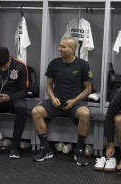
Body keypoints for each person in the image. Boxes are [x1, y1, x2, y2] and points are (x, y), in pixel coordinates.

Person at [31, 37, 93, 166]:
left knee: (85, 114)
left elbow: (88, 88)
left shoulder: (83, 65)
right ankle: (45, 149)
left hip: (75, 103)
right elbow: (49, 85)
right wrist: (53, 98)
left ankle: (79, 151)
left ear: (73, 49)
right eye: (59, 46)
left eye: (63, 47)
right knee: (36, 111)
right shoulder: (54, 63)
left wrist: (75, 100)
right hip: (56, 101)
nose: (59, 48)